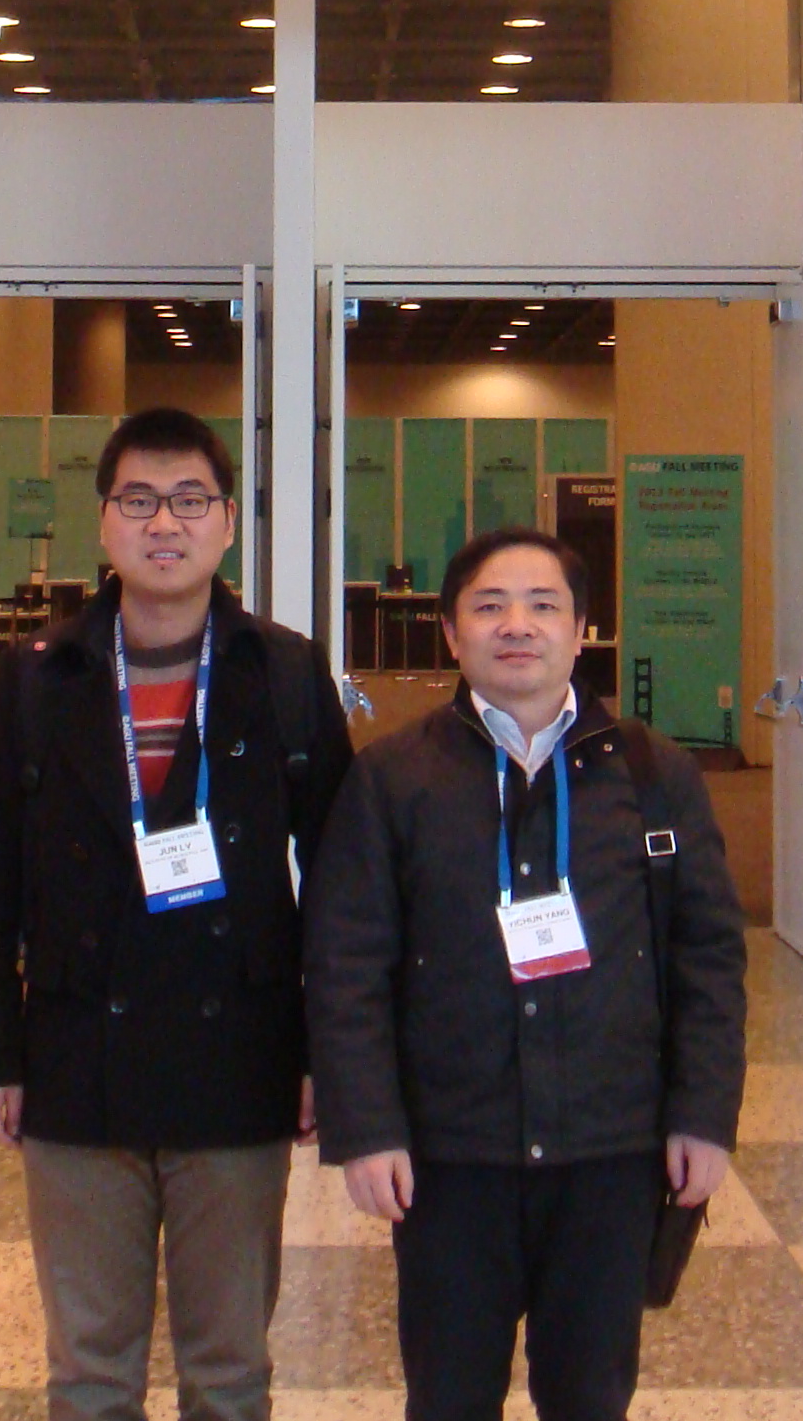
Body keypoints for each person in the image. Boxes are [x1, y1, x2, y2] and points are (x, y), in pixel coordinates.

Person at [0, 405, 353, 1421]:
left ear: (228, 522)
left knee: (229, 1369)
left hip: (240, 1061)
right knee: (89, 1371)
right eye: (138, 500)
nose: (163, 523)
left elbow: (343, 887)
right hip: (78, 1058)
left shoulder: (286, 673)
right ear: (103, 522)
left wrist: (328, 1054)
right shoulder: (39, 677)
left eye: (188, 500)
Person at [305, 528, 747, 1421]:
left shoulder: (654, 774)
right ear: (450, 632)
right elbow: (347, 962)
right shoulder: (394, 778)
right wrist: (367, 1129)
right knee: (449, 1397)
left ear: (581, 630)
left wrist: (703, 1116)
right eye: (490, 606)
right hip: (449, 1159)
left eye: (544, 606)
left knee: (590, 1397)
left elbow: (708, 956)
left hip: (610, 1152)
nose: (518, 625)